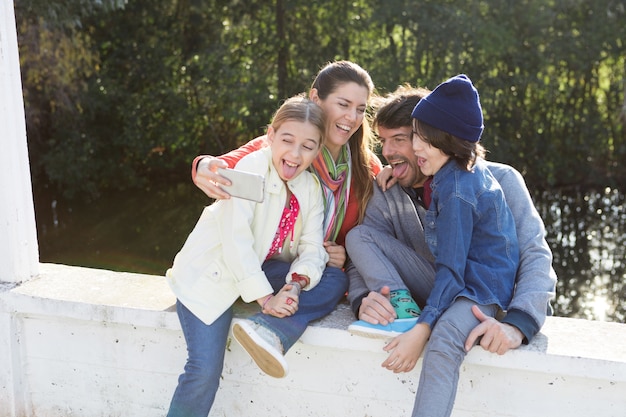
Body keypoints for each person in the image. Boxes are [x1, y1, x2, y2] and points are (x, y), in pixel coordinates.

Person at [344, 80, 557, 416]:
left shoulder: (498, 181)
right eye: (384, 141)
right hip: (430, 296)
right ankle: (409, 315)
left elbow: (536, 256)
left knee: (446, 339)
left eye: (402, 138)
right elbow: (361, 256)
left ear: (436, 137)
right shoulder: (386, 189)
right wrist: (362, 299)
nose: (389, 151)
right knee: (358, 235)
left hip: (475, 300)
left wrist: (518, 325)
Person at [166, 95, 330, 417]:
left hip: (261, 270)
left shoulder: (310, 188)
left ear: (318, 149)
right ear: (270, 135)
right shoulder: (251, 167)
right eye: (287, 140)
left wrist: (295, 285)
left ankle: (267, 330)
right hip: (213, 276)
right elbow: (235, 240)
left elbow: (312, 248)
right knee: (204, 370)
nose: (295, 154)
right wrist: (267, 299)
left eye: (308, 146)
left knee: (331, 275)